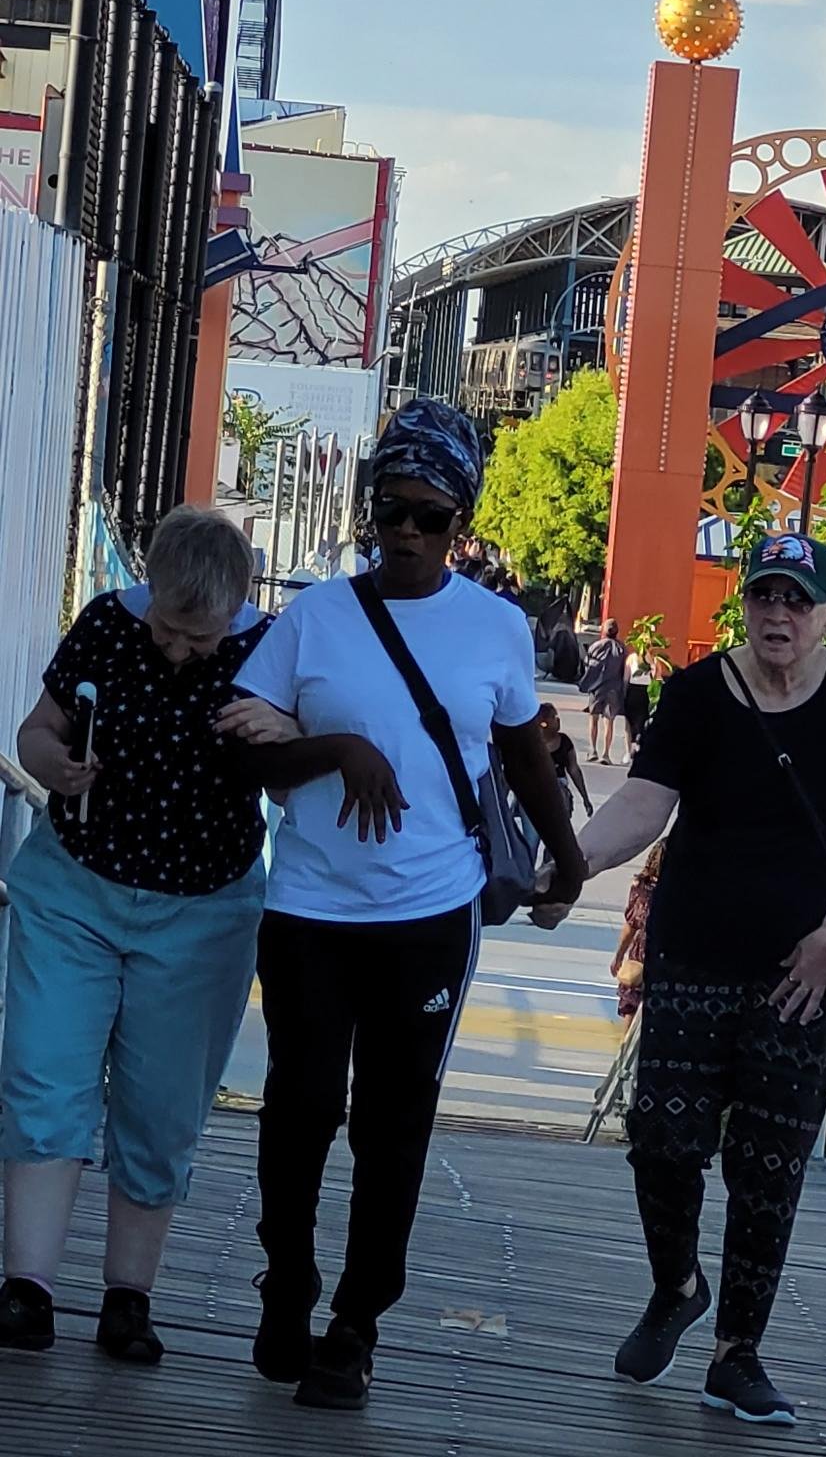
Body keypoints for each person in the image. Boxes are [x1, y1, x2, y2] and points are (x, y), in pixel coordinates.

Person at [224, 398, 587, 1412]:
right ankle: (285, 1277)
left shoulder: (496, 627)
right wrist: (339, 749)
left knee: (394, 1122)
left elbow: (522, 756)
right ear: (371, 511)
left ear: (461, 522)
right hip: (309, 906)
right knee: (300, 1106)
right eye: (392, 512)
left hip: (431, 911)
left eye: (431, 517)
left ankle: (355, 1321)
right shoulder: (316, 619)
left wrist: (566, 857)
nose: (408, 536)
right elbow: (241, 750)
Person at [534, 533, 826, 1426]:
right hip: (695, 951)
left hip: (800, 970)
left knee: (768, 1165)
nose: (777, 614)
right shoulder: (699, 694)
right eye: (763, 597)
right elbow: (643, 803)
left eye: (796, 600)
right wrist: (568, 867)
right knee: (662, 1136)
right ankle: (677, 1282)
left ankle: (738, 1352)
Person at [0, 507, 287, 1364]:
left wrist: (286, 733)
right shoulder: (105, 625)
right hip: (76, 886)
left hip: (203, 908)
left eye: (197, 638)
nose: (176, 649)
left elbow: (305, 758)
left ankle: (130, 1296)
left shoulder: (272, 651)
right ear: (147, 594)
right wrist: (53, 763)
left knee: (162, 1106)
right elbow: (35, 731)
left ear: (237, 605)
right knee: (46, 1075)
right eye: (165, 626)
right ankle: (27, 1288)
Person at [517, 702, 592, 867]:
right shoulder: (529, 742)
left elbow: (574, 770)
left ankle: (545, 875)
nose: (556, 721)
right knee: (534, 842)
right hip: (534, 794)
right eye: (552, 718)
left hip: (552, 794)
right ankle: (531, 879)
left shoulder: (563, 742)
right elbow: (515, 770)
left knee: (550, 843)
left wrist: (585, 798)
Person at [609, 839, 666, 1025]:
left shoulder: (640, 888)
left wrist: (619, 955)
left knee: (631, 1007)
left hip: (640, 954)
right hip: (667, 954)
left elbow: (631, 926)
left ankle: (625, 1049)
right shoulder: (680, 891)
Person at [582, 618, 628, 764]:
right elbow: (624, 670)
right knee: (609, 721)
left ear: (603, 630)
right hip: (613, 688)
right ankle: (606, 754)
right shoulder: (622, 649)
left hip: (596, 688)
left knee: (593, 718)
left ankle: (592, 750)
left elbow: (587, 665)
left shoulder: (595, 646)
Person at [623, 641, 667, 758]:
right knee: (635, 721)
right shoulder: (636, 658)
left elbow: (626, 678)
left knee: (636, 721)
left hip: (640, 691)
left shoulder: (648, 659)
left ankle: (633, 748)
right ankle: (632, 748)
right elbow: (657, 677)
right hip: (639, 691)